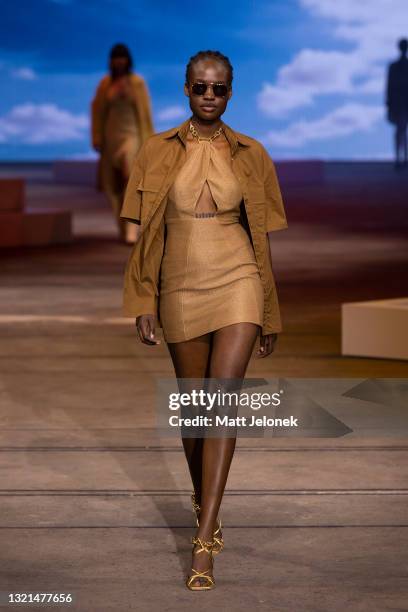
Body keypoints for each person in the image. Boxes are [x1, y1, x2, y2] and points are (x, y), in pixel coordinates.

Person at [119, 50, 288, 590]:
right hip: (179, 282)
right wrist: (143, 299)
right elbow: (145, 240)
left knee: (221, 403)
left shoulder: (253, 154)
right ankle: (204, 502)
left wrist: (268, 308)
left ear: (231, 93)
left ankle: (204, 539)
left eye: (218, 89)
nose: (209, 96)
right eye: (199, 88)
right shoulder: (153, 152)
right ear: (186, 91)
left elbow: (260, 242)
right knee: (195, 412)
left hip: (237, 274)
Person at [91, 43, 154, 243]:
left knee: (131, 180)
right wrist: (97, 137)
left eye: (122, 57)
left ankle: (131, 230)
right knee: (112, 187)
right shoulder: (105, 84)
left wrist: (149, 141)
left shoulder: (137, 82)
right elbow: (98, 112)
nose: (119, 61)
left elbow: (145, 113)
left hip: (132, 135)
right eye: (116, 57)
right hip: (111, 136)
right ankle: (122, 225)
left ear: (128, 60)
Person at [386, 38, 408, 169]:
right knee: (401, 130)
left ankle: (402, 158)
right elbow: (389, 86)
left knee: (401, 129)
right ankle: (400, 158)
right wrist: (389, 103)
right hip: (398, 103)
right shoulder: (394, 67)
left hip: (402, 102)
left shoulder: (395, 66)